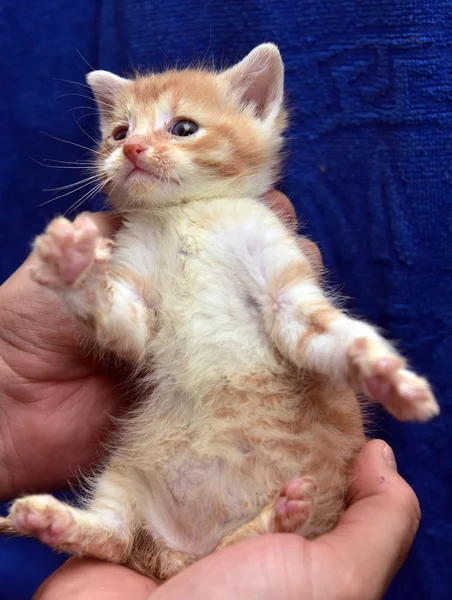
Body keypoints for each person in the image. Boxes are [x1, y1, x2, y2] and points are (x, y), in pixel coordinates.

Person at [0, 192, 420, 600]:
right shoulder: (140, 235)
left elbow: (297, 314)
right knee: (133, 463)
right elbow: (129, 332)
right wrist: (86, 291)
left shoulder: (251, 220)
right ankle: (113, 526)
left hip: (268, 441)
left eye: (182, 129)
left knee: (305, 427)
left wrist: (367, 360)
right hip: (176, 462)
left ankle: (255, 531)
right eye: (119, 133)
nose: (135, 147)